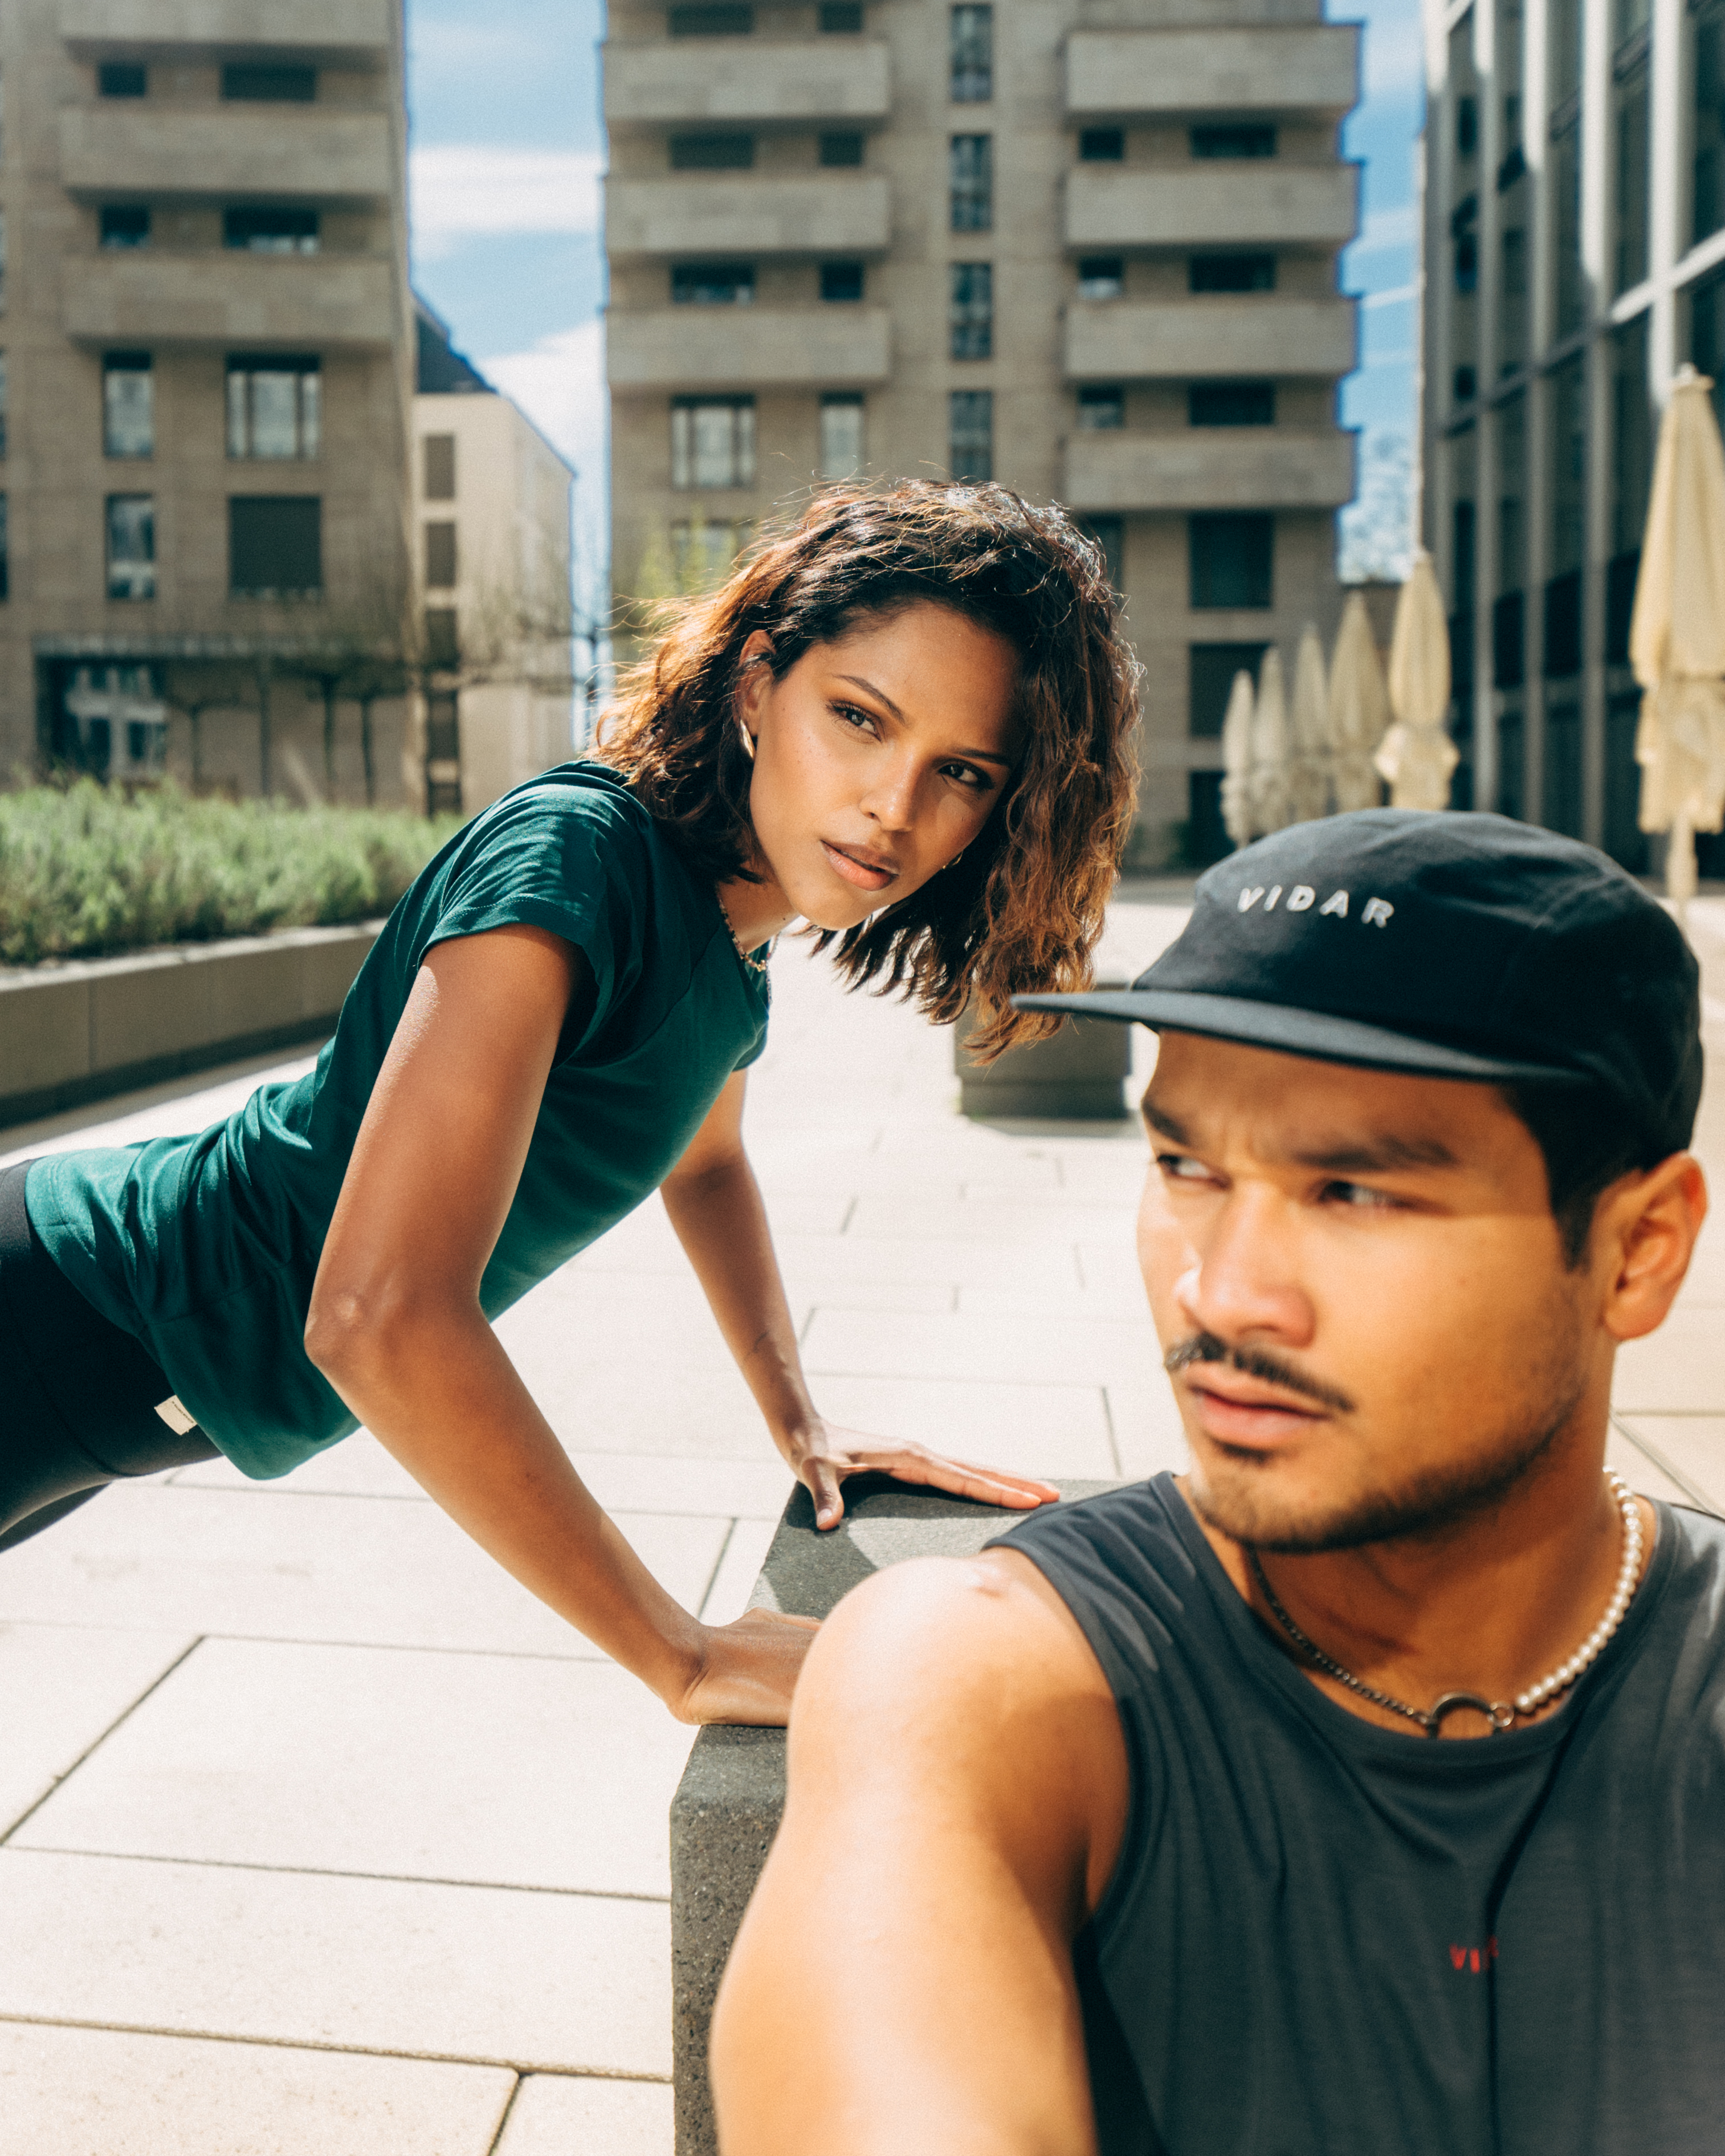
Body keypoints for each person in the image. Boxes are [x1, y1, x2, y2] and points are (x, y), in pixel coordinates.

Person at [0, 481, 1140, 1725]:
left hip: (115, 1374)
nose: (894, 804)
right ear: (757, 688)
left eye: (960, 771)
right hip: (70, 1310)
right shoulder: (578, 859)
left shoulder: (729, 942)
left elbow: (703, 1162)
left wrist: (802, 1423)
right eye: (858, 717)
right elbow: (374, 1312)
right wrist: (682, 1653)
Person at [713, 808, 1725, 2149]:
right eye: (1186, 1165)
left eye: (1353, 1190)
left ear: (1635, 1250)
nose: (1221, 1290)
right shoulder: (974, 1673)